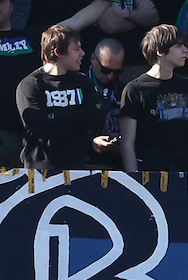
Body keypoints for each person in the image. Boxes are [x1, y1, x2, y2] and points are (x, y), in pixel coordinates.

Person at [17, 24, 118, 172]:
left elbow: (97, 116)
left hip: (78, 166)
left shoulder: (82, 82)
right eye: (76, 49)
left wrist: (57, 115)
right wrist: (80, 126)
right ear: (58, 52)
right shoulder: (31, 85)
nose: (82, 53)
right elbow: (41, 128)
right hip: (41, 170)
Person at [118, 24, 188, 171]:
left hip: (185, 168)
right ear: (160, 51)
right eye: (179, 46)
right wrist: (134, 180)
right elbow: (127, 143)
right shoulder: (134, 89)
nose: (185, 50)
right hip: (150, 170)